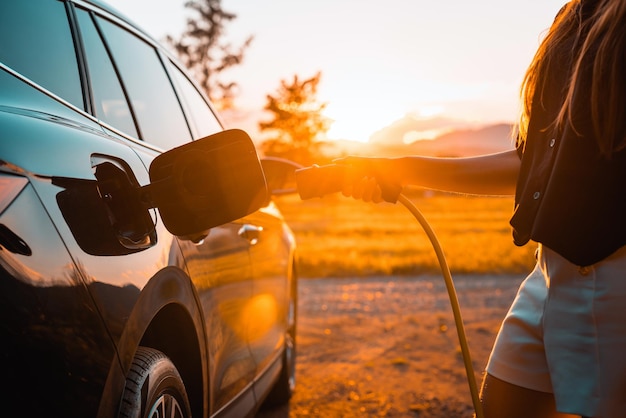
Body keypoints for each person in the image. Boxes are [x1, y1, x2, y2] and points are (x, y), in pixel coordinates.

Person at [337, 0, 626, 417]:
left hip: (614, 274)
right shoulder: (574, 20)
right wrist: (395, 169)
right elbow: (531, 166)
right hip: (549, 273)